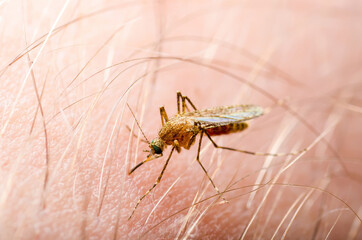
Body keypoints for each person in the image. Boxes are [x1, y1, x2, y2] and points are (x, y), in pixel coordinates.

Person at [1, 1, 361, 239]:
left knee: (209, 146)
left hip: (212, 124)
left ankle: (259, 156)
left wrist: (186, 138)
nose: (157, 149)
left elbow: (172, 148)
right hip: (193, 121)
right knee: (184, 116)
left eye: (156, 147)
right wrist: (162, 138)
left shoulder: (172, 136)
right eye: (156, 146)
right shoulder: (164, 131)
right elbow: (164, 136)